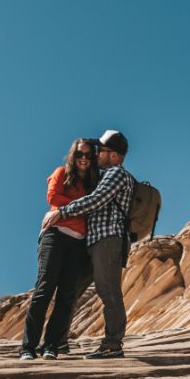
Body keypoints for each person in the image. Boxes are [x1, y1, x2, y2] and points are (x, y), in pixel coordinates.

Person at [41, 129, 134, 359]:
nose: (95, 155)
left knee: (108, 290)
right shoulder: (103, 176)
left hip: (108, 240)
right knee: (72, 290)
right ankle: (59, 342)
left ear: (113, 155)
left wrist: (62, 212)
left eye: (100, 151)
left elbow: (94, 201)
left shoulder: (116, 175)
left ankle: (113, 344)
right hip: (94, 241)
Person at [19, 139, 98, 360]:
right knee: (44, 289)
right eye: (80, 154)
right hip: (55, 235)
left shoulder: (94, 182)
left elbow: (94, 205)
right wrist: (83, 205)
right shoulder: (62, 172)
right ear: (73, 155)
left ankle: (51, 346)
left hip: (78, 242)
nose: (84, 158)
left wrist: (71, 206)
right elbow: (52, 197)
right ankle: (28, 347)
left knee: (66, 295)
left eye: (89, 155)